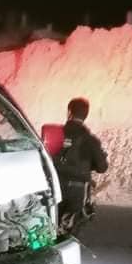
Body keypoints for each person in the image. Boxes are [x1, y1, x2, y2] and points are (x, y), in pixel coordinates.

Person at [54, 97, 108, 234]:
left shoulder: (55, 135)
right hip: (77, 190)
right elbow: (102, 167)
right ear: (85, 115)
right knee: (70, 229)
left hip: (55, 185)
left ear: (69, 112)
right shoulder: (90, 140)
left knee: (50, 223)